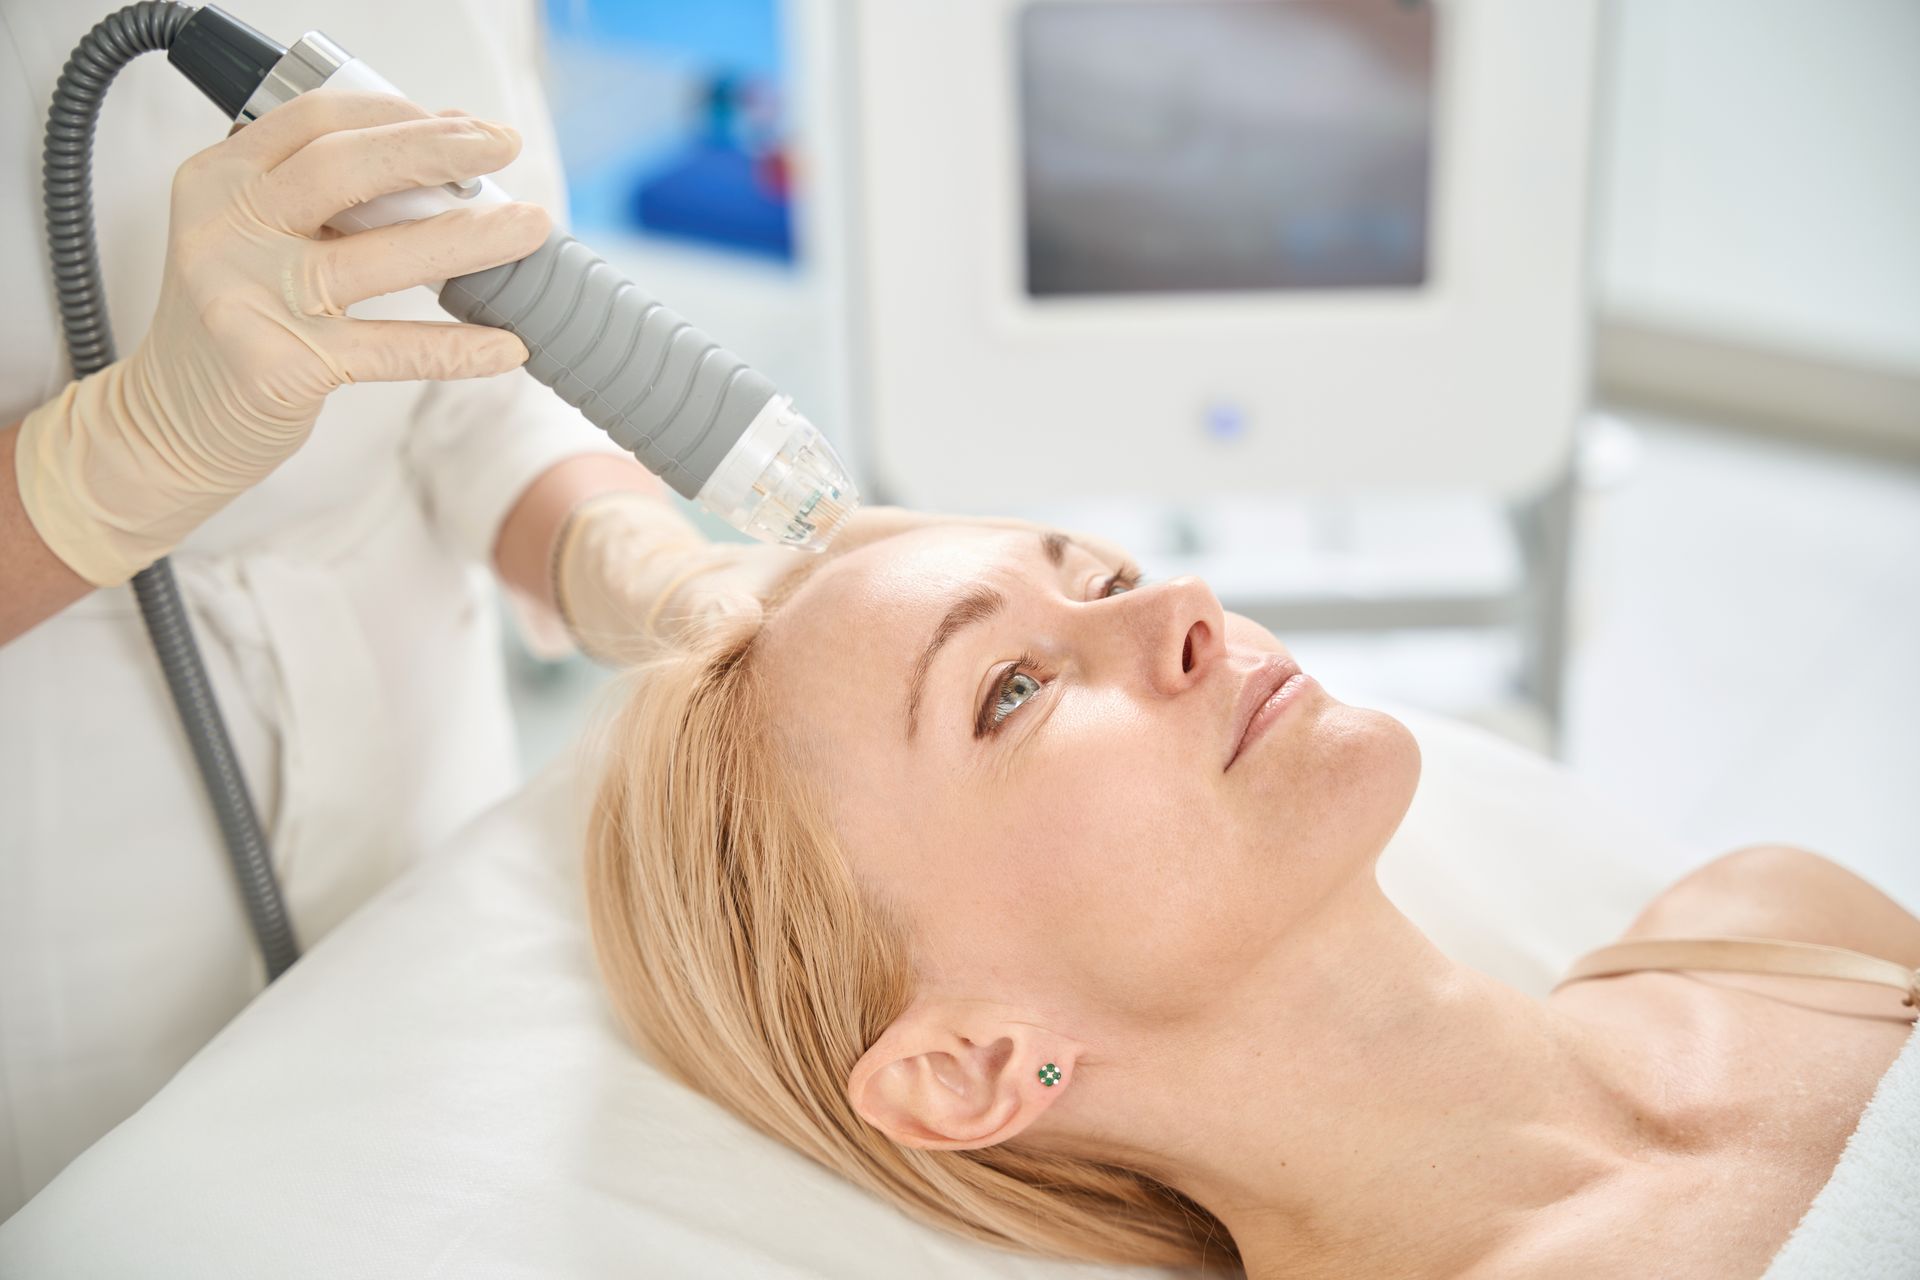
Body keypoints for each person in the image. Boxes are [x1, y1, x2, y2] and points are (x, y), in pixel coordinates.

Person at [583, 510, 1920, 1278]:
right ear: (973, 1063)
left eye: (1102, 576)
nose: (1184, 606)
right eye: (1011, 690)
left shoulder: (1775, 920)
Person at [0, 0, 769, 1215]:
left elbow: (486, 356)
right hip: (70, 880)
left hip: (419, 779)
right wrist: (86, 482)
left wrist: (625, 551)